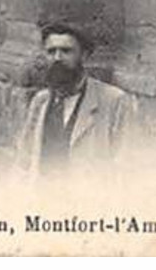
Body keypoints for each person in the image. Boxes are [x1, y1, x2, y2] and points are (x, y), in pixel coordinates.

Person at [14, 21, 137, 178]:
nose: (57, 58)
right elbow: (24, 161)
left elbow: (126, 164)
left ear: (84, 55)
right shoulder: (41, 101)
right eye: (51, 52)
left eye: (66, 51)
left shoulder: (114, 101)